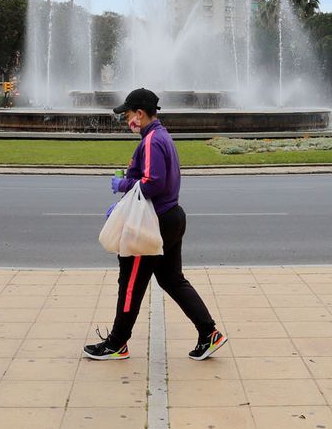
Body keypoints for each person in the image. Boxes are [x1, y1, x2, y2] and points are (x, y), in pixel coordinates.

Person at [85, 87, 226, 362]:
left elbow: (153, 183)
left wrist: (122, 185)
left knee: (130, 282)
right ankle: (209, 333)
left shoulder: (151, 141)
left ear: (140, 113)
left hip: (152, 222)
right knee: (172, 279)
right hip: (171, 216)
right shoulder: (162, 136)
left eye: (128, 116)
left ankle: (116, 343)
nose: (127, 122)